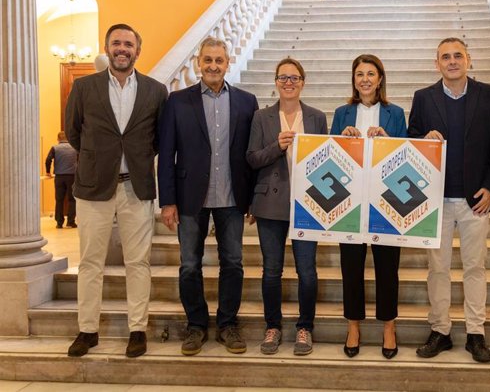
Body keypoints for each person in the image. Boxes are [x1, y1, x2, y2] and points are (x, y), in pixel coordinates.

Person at [64, 23, 168, 358]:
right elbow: (74, 132)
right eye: (116, 43)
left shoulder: (155, 90)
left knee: (138, 262)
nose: (122, 49)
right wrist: (99, 160)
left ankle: (137, 329)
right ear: (107, 48)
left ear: (138, 49)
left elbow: (158, 140)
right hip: (94, 186)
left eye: (128, 44)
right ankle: (87, 330)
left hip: (136, 187)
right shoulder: (83, 87)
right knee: (91, 262)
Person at [408, 38, 490, 363]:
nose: (452, 61)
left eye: (457, 56)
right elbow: (409, 142)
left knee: (474, 268)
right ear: (436, 63)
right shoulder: (423, 99)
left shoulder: (489, 94)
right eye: (445, 57)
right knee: (437, 269)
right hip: (434, 200)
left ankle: (475, 333)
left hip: (475, 201)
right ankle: (440, 330)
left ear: (469, 60)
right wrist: (423, 139)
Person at [157, 37, 258, 356]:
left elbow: (251, 154)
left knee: (233, 263)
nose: (214, 66)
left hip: (232, 197)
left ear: (228, 64)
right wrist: (167, 200)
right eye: (208, 60)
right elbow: (167, 153)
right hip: (189, 199)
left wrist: (253, 199)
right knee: (189, 265)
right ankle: (196, 326)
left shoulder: (246, 101)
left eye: (219, 60)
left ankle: (228, 324)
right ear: (199, 63)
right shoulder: (177, 101)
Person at [246, 58, 327, 356]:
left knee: (307, 271)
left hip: (308, 204)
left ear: (303, 82)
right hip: (270, 203)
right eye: (283, 78)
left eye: (294, 78)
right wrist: (275, 147)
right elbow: (252, 158)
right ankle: (273, 327)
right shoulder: (261, 117)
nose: (289, 82)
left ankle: (305, 327)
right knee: (271, 271)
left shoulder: (317, 117)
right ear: (276, 82)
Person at [330, 54, 407, 359]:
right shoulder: (341, 112)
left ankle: (389, 326)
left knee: (388, 268)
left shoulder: (395, 113)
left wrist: (387, 139)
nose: (365, 79)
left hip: (386, 203)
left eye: (370, 73)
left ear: (380, 79)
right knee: (351, 268)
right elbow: (329, 156)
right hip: (349, 202)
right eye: (359, 74)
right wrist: (340, 138)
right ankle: (353, 325)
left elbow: (406, 156)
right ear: (353, 79)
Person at [45, 131, 78, 228]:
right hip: (72, 176)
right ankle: (71, 222)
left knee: (59, 199)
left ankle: (59, 223)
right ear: (67, 138)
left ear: (58, 139)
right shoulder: (74, 147)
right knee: (72, 199)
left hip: (59, 177)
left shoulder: (55, 148)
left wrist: (48, 171)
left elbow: (48, 159)